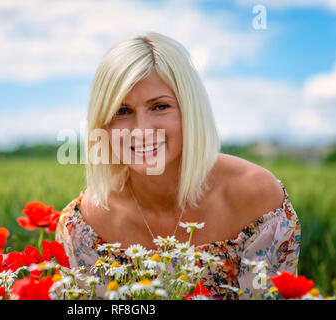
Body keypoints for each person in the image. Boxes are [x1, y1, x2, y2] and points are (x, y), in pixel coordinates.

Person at [55, 31, 301, 300]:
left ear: (190, 109)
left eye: (160, 107)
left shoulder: (258, 199)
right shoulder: (84, 226)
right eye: (122, 111)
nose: (141, 130)